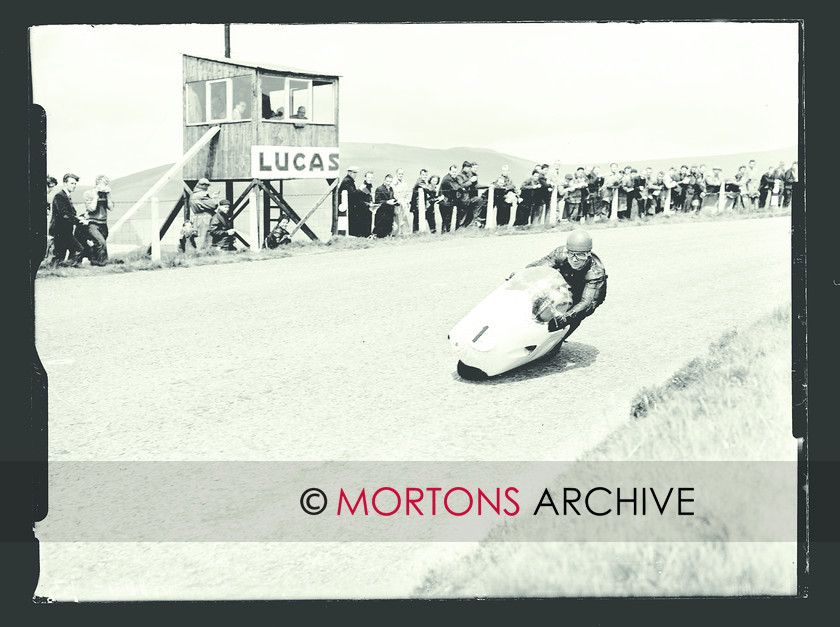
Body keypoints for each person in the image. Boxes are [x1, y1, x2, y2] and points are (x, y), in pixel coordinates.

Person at [522, 229, 608, 342]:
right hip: (567, 280)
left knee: (573, 316)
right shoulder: (560, 253)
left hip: (587, 294)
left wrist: (565, 318)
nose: (574, 259)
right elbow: (539, 267)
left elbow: (586, 302)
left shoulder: (595, 273)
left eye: (580, 255)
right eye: (571, 254)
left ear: (588, 255)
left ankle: (556, 342)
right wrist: (522, 275)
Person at [49, 173, 84, 267]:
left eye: (75, 184)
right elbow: (64, 214)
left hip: (65, 231)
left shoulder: (66, 196)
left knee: (61, 255)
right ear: (65, 183)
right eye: (72, 183)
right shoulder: (60, 196)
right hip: (60, 230)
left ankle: (61, 268)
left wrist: (78, 218)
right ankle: (62, 268)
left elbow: (69, 213)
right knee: (76, 250)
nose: (74, 186)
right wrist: (78, 220)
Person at [82, 174, 114, 266]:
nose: (104, 186)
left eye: (106, 184)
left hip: (103, 223)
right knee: (101, 242)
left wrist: (108, 195)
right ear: (97, 184)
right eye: (103, 184)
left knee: (99, 244)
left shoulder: (105, 194)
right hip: (92, 222)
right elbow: (91, 208)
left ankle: (96, 262)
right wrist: (96, 196)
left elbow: (111, 208)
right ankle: (102, 263)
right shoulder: (88, 193)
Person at [189, 178, 220, 250]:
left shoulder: (194, 195)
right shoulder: (202, 195)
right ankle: (204, 254)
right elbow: (213, 205)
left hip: (197, 217)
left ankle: (200, 253)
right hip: (205, 218)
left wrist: (211, 198)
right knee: (206, 238)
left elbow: (203, 203)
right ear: (203, 186)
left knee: (200, 237)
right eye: (207, 186)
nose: (207, 188)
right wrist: (214, 198)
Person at [439, 165, 461, 233]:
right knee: (446, 219)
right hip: (445, 201)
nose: (454, 173)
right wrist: (461, 188)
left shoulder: (453, 178)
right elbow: (455, 187)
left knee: (448, 218)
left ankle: (446, 233)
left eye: (455, 172)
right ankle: (444, 233)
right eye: (453, 172)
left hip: (448, 201)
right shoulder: (447, 179)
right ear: (450, 171)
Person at [391, 167, 412, 235]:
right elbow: (394, 194)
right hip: (397, 203)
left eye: (402, 174)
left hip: (404, 203)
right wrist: (400, 201)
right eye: (399, 173)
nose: (400, 175)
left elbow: (407, 193)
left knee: (405, 218)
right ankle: (396, 233)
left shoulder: (404, 182)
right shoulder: (393, 183)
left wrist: (406, 200)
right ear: (396, 174)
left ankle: (405, 233)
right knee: (397, 219)